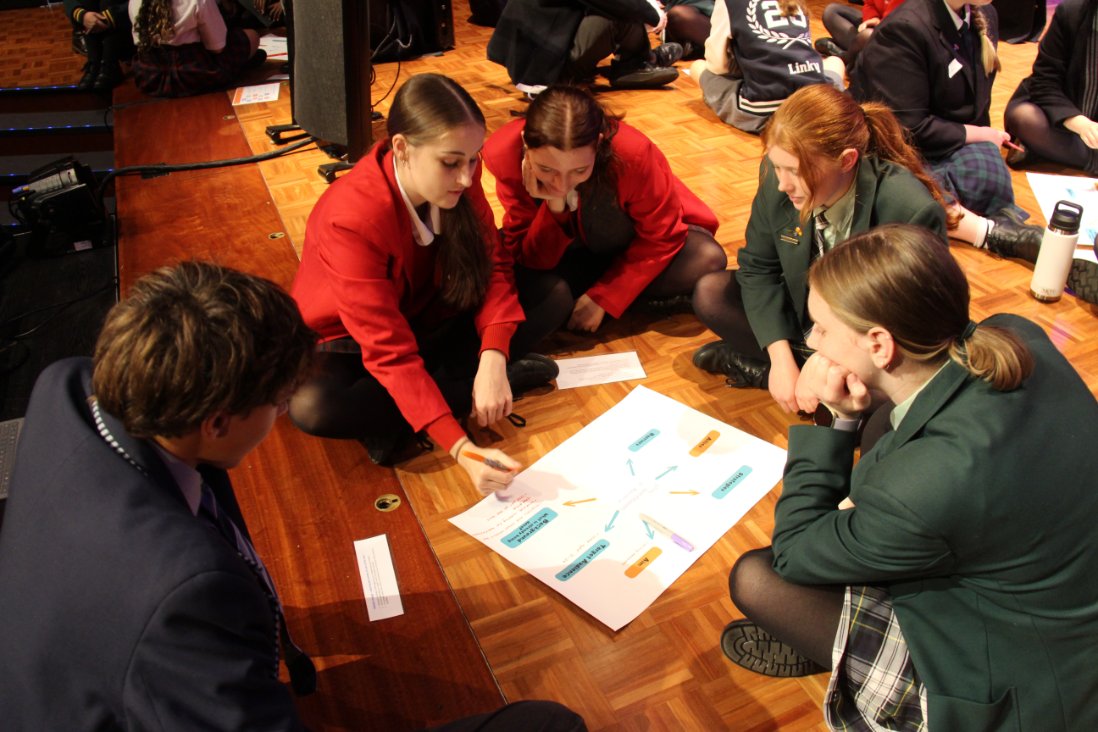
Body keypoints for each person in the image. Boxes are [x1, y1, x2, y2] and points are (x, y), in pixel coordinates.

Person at [719, 224, 1098, 730]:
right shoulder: (1013, 331)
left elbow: (793, 550)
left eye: (823, 328)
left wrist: (836, 419)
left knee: (758, 578)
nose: (811, 340)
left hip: (1026, 673)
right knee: (883, 423)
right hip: (1059, 583)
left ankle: (846, 662)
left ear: (879, 344)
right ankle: (838, 645)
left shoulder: (926, 485)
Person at [0, 262, 317, 729]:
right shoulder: (186, 593)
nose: (284, 411)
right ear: (216, 423)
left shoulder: (67, 386)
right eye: (279, 403)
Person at [289, 73, 557, 490]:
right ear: (401, 148)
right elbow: (387, 348)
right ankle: (466, 392)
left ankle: (429, 403)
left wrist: (492, 356)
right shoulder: (352, 217)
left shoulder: (457, 176)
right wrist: (462, 449)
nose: (466, 177)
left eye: (473, 160)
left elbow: (493, 264)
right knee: (314, 405)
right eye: (451, 163)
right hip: (350, 339)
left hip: (427, 310)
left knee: (551, 295)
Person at [691, 84, 950, 412]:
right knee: (711, 293)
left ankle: (783, 378)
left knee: (885, 407)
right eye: (777, 167)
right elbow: (758, 268)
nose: (782, 184)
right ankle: (790, 376)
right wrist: (780, 358)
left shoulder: (909, 209)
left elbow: (908, 325)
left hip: (864, 340)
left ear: (847, 161)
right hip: (810, 323)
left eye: (795, 172)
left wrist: (828, 361)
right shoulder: (778, 177)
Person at [482, 84, 727, 336]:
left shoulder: (633, 152)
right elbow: (531, 258)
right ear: (526, 142)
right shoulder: (504, 155)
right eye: (547, 169)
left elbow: (661, 235)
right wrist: (555, 207)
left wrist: (605, 296)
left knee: (705, 257)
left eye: (579, 170)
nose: (561, 185)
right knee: (530, 284)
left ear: (598, 143)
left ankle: (608, 297)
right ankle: (638, 301)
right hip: (571, 253)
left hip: (630, 243)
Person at [849, 0, 1028, 226]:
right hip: (900, 145)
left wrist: (982, 137)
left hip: (946, 138)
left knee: (989, 178)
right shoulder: (904, 29)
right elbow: (907, 128)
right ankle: (982, 229)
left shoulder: (986, 14)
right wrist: (979, 134)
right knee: (907, 193)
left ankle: (966, 221)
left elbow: (976, 106)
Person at [688, 0, 845, 133]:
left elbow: (718, 66)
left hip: (766, 112)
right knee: (834, 61)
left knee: (698, 67)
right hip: (814, 103)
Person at [486, 0, 684, 94]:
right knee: (617, 14)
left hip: (535, 55)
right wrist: (653, 15)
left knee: (625, 9)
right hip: (545, 67)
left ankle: (640, 60)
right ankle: (636, 64)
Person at [1004, 0, 1098, 176]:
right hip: (1062, 114)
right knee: (1024, 117)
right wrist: (1079, 123)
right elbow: (1045, 80)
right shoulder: (1071, 12)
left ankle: (1043, 151)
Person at [128, 0, 266, 97]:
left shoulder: (135, 1)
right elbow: (218, 48)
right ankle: (240, 66)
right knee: (252, 36)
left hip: (151, 76)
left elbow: (139, 41)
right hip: (194, 73)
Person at [64, 0, 134, 90]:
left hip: (127, 22)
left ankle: (109, 64)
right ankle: (95, 63)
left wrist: (107, 17)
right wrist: (83, 16)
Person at [815, 0, 907, 66]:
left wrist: (878, 24)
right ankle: (856, 56)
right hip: (876, 27)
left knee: (866, 35)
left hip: (894, 37)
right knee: (831, 11)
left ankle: (844, 57)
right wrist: (872, 18)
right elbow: (869, 4)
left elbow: (900, 20)